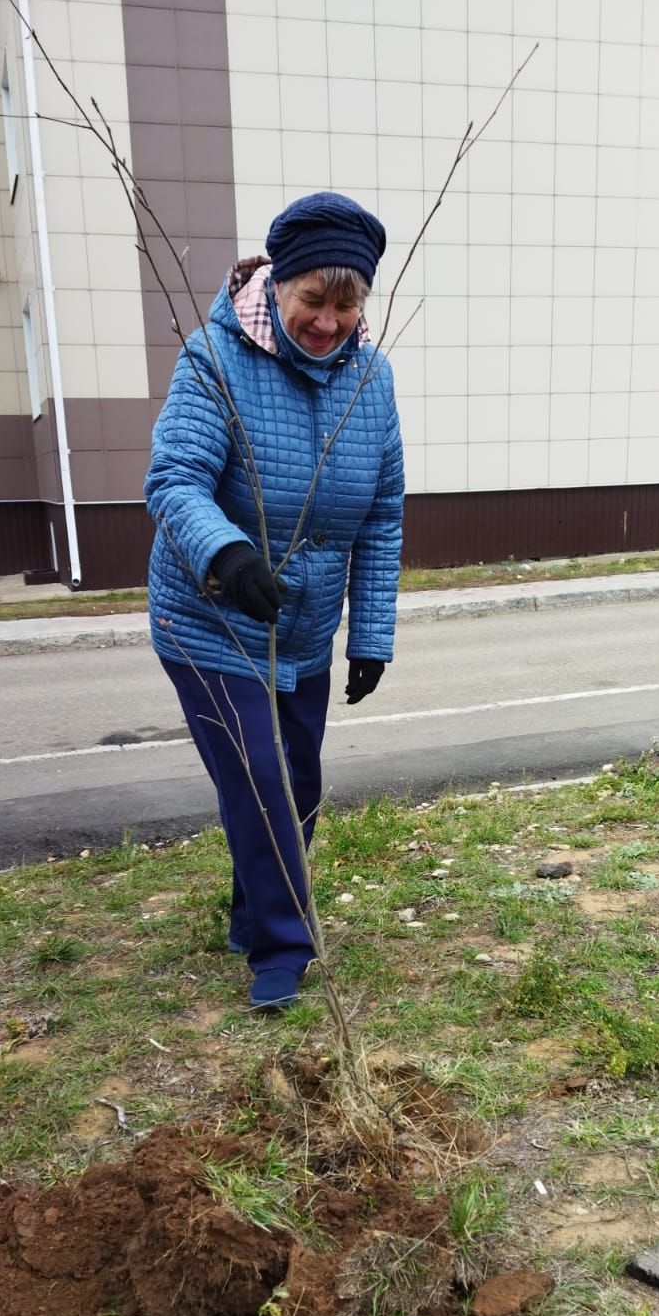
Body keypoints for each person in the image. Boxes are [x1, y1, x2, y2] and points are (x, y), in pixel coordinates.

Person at [145, 191, 404, 1012]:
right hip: (211, 616)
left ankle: (251, 906)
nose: (329, 322)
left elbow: (384, 511)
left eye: (347, 302)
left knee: (297, 784)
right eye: (312, 302)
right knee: (259, 778)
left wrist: (370, 631)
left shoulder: (371, 377)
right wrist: (224, 553)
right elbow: (174, 479)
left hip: (303, 627)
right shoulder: (213, 357)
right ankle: (282, 947)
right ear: (278, 285)